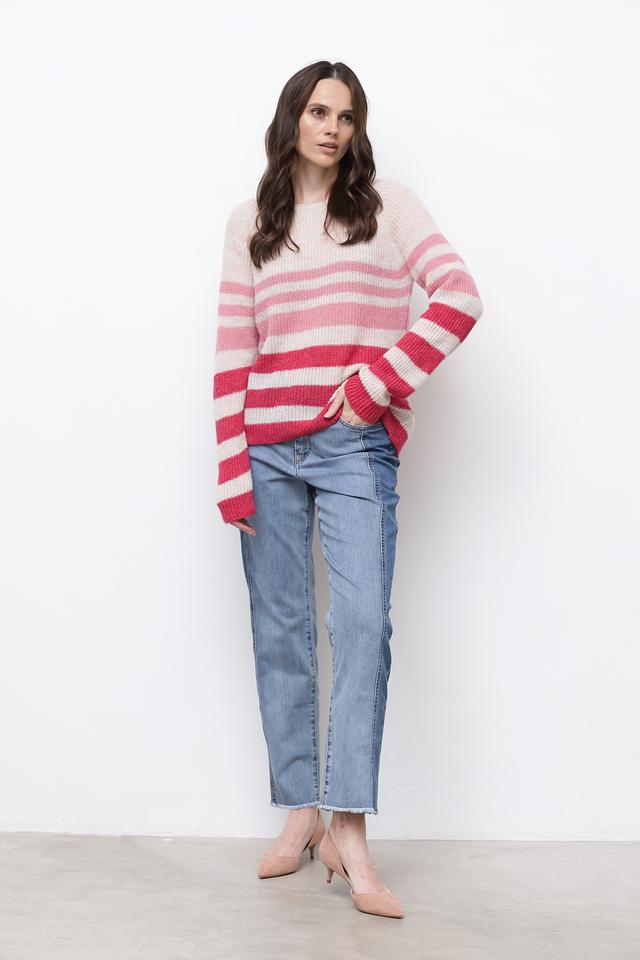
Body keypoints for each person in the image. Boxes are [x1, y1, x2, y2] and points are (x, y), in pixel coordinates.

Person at [213, 60, 483, 919]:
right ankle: (300, 811)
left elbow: (460, 297)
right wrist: (230, 467)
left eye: (347, 115)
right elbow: (234, 349)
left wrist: (376, 383)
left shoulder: (388, 206)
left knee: (362, 626)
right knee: (280, 628)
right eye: (319, 111)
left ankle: (349, 824)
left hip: (352, 444)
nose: (332, 128)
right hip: (265, 448)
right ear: (292, 117)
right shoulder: (252, 222)